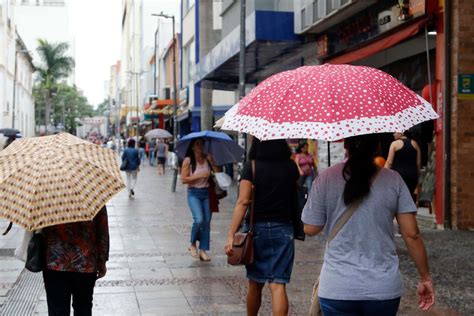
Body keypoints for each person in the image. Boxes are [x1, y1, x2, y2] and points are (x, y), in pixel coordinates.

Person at [302, 134, 435, 316]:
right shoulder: (394, 180)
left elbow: (310, 228)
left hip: (337, 286)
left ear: (346, 145)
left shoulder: (325, 178)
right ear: (378, 147)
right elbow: (411, 234)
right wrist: (425, 277)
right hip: (382, 288)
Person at [225, 139, 299, 316]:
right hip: (284, 228)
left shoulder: (252, 166)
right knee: (278, 284)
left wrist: (231, 234)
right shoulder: (290, 166)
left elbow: (243, 202)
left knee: (255, 283)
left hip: (257, 230)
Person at [42, 206, 109, 316]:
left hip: (55, 264)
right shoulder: (91, 193)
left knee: (57, 310)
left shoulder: (46, 195)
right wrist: (102, 260)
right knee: (83, 308)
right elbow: (102, 229)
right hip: (85, 262)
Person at [181, 138, 220, 262]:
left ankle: (203, 250)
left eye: (202, 144)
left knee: (207, 222)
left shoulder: (207, 159)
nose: (200, 146)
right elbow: (184, 179)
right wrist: (199, 176)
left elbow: (218, 173)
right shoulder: (188, 161)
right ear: (192, 147)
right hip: (194, 193)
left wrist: (212, 162)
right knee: (199, 219)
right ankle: (192, 244)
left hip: (206, 193)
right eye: (197, 144)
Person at [385, 131, 422, 201]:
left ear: (401, 132)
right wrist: (418, 176)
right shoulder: (415, 143)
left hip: (398, 176)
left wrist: (383, 175)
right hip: (412, 176)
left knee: (398, 199)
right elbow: (418, 163)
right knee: (408, 198)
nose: (393, 134)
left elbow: (389, 162)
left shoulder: (394, 144)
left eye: (395, 132)